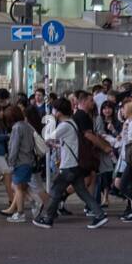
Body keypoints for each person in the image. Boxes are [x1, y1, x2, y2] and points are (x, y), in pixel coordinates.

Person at [34, 98, 107, 228]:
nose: (53, 111)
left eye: (54, 109)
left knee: (56, 190)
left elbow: (48, 137)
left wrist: (49, 121)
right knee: (82, 191)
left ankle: (48, 218)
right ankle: (99, 214)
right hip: (75, 164)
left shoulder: (65, 125)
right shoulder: (71, 123)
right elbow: (64, 142)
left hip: (69, 165)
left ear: (59, 112)